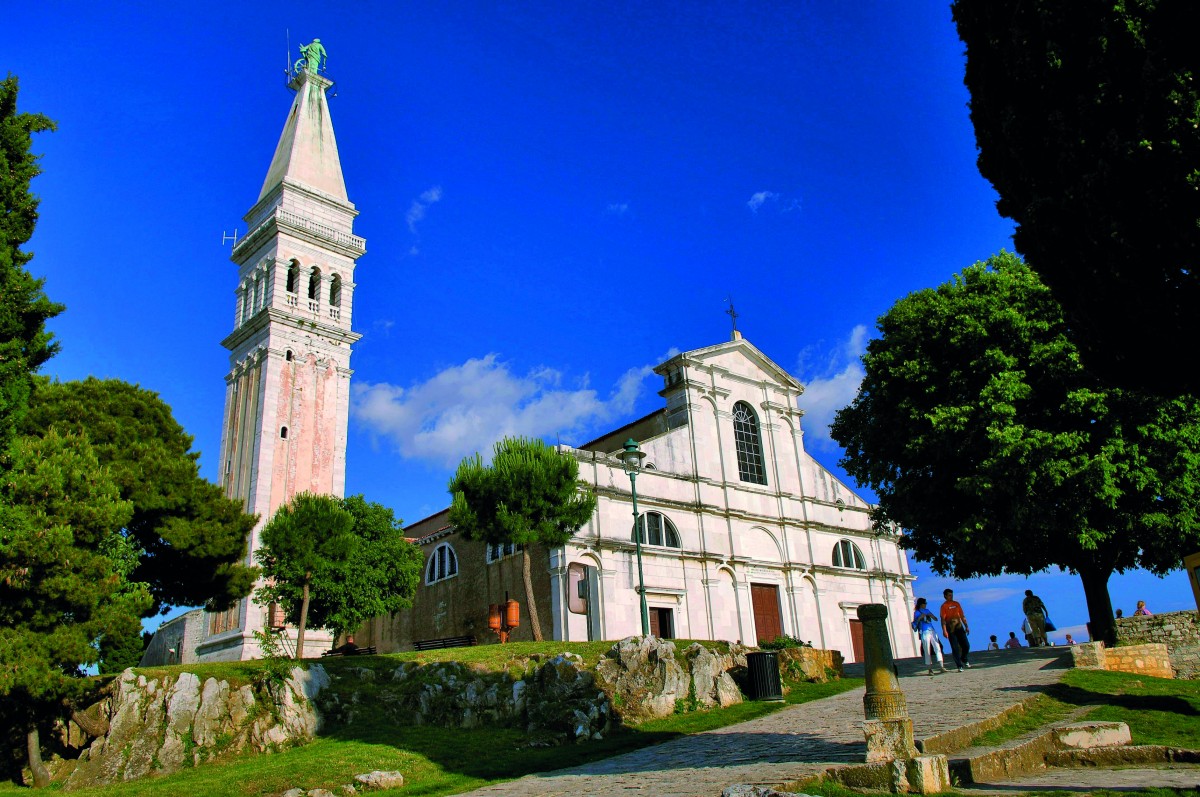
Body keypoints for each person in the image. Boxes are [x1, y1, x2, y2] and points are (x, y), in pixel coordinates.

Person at [912, 598, 946, 675]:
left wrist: (931, 615)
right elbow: (915, 622)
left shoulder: (927, 610)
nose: (926, 605)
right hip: (924, 631)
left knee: (937, 647)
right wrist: (920, 617)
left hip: (932, 630)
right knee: (927, 650)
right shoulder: (917, 612)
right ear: (921, 604)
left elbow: (935, 619)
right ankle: (929, 669)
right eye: (925, 603)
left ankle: (941, 666)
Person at [940, 588, 971, 671]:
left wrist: (966, 626)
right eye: (949, 595)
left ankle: (964, 658)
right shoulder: (944, 606)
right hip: (950, 628)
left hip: (959, 626)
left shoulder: (956, 604)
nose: (951, 596)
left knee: (966, 645)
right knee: (955, 647)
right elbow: (943, 619)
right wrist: (944, 630)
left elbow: (962, 615)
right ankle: (959, 665)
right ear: (945, 596)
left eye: (952, 595)